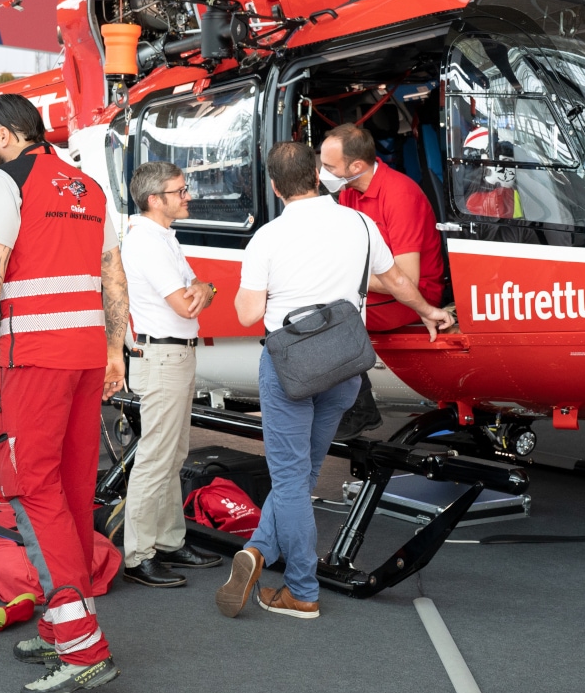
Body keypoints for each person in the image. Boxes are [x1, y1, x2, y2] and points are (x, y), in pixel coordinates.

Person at [0, 94, 127, 693]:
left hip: (35, 361)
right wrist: (117, 349)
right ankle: (61, 621)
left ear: (12, 136)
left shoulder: (6, 181)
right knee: (69, 490)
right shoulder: (88, 187)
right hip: (88, 357)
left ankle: (82, 647)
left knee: (30, 487)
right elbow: (111, 275)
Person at [215, 142, 451, 620]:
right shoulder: (360, 224)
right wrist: (429, 312)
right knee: (301, 475)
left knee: (289, 481)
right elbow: (398, 279)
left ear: (276, 186)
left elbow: (248, 313)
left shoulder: (267, 237)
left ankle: (302, 590)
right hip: (344, 366)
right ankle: (259, 549)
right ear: (320, 177)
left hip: (289, 370)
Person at [118, 160, 222, 587]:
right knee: (156, 460)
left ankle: (167, 541)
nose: (188, 196)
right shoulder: (148, 243)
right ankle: (139, 554)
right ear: (154, 199)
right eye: (180, 191)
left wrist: (204, 288)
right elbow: (188, 302)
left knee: (171, 456)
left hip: (172, 357)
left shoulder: (162, 237)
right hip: (163, 358)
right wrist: (205, 290)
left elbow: (198, 287)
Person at [320, 123, 446, 438]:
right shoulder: (349, 192)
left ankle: (359, 407)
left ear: (356, 166)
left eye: (329, 167)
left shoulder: (398, 194)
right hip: (377, 287)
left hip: (413, 295)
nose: (323, 173)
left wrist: (345, 273)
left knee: (326, 313)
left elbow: (407, 280)